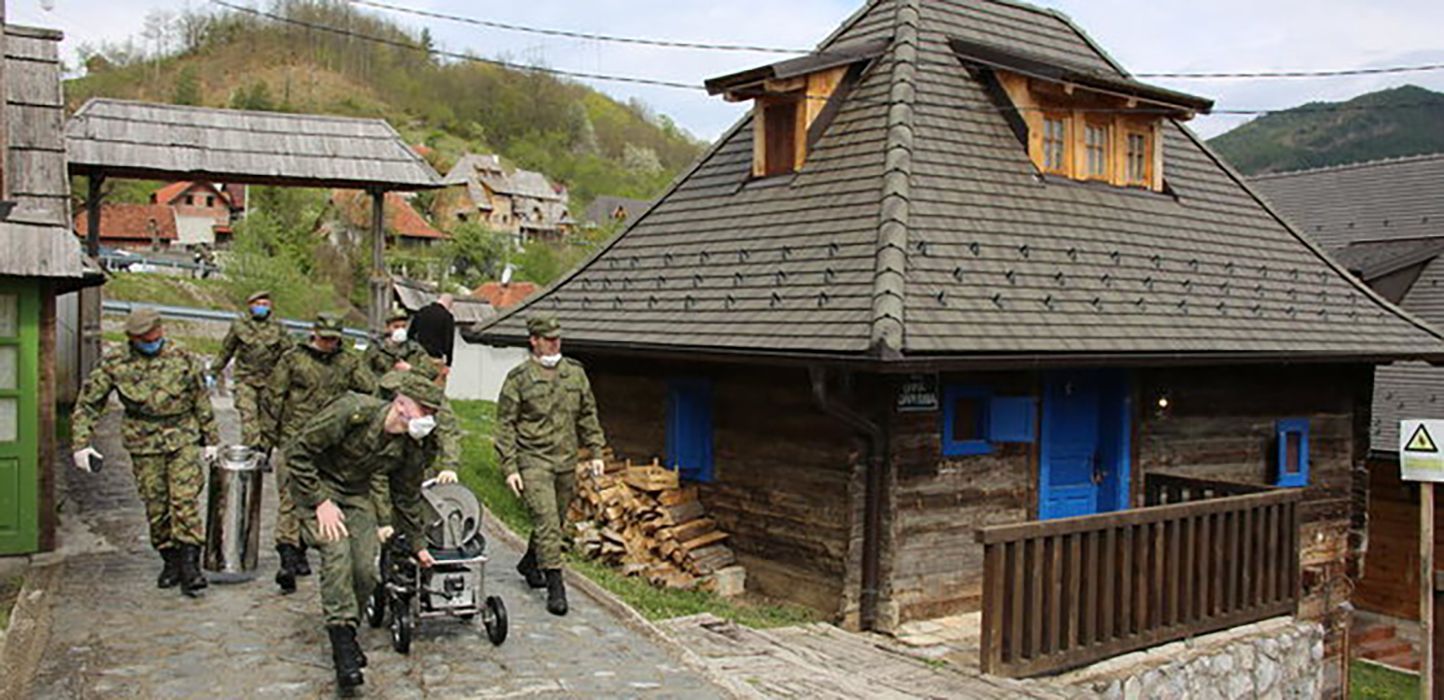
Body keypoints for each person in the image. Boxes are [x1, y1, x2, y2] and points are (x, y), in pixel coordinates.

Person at [286, 372, 444, 691]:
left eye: (433, 414)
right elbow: (298, 452)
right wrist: (320, 501)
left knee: (364, 571)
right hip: (318, 484)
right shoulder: (353, 412)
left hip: (356, 493)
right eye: (424, 411)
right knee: (337, 553)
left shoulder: (411, 447)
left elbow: (407, 496)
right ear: (401, 404)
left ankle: (347, 628)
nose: (428, 420)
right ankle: (343, 645)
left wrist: (418, 544)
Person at [71, 308, 220, 597]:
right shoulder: (116, 362)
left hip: (182, 437)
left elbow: (201, 398)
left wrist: (211, 439)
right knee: (156, 505)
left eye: (152, 336)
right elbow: (89, 403)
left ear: (161, 331)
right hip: (144, 441)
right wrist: (81, 443)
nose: (148, 342)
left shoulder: (183, 358)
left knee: (185, 499)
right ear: (131, 338)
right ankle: (170, 561)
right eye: (141, 338)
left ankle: (191, 567)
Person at [495, 315, 607, 616]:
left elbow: (587, 414)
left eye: (558, 338)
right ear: (534, 340)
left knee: (554, 521)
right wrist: (510, 468)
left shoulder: (574, 373)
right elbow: (505, 425)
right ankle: (556, 585)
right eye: (548, 339)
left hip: (565, 460)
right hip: (533, 460)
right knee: (545, 519)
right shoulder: (518, 378)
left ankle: (530, 564)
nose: (555, 343)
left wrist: (596, 450)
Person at [265, 313, 376, 593]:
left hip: (331, 444)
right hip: (294, 437)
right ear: (314, 333)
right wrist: (265, 439)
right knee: (290, 497)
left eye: (334, 339)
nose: (328, 344)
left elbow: (370, 391)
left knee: (321, 498)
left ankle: (308, 546)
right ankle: (288, 558)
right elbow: (274, 397)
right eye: (324, 338)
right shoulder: (293, 359)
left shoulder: (348, 363)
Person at [212, 291, 290, 450]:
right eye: (258, 304)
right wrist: (213, 372)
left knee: (268, 425)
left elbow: (290, 355)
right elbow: (226, 351)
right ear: (250, 306)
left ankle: (263, 457)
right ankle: (251, 457)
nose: (261, 308)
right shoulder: (240, 325)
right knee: (249, 420)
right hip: (245, 380)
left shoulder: (279, 327)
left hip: (270, 382)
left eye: (265, 305)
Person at [361, 308, 431, 379]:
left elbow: (431, 372)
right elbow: (364, 372)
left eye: (403, 326)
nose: (400, 330)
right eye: (396, 327)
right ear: (387, 328)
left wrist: (410, 368)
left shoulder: (415, 349)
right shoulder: (376, 348)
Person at [407, 293, 455, 366]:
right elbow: (449, 340)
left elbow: (410, 334)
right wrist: (449, 361)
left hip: (419, 356)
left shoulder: (422, 311)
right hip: (435, 356)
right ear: (450, 303)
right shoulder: (447, 316)